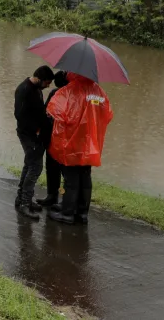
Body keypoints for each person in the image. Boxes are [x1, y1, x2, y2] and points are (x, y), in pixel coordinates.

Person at [46, 73, 114, 225]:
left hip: (71, 143)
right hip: (91, 145)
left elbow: (55, 112)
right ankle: (82, 213)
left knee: (71, 179)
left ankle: (67, 213)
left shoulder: (67, 91)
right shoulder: (99, 92)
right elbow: (108, 115)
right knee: (85, 178)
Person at [14, 65, 55, 219]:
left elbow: (38, 111)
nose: (48, 86)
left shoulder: (36, 89)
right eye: (47, 82)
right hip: (28, 135)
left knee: (29, 164)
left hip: (34, 134)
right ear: (39, 79)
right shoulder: (24, 90)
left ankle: (21, 199)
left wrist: (45, 118)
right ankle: (25, 203)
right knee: (36, 167)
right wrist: (38, 127)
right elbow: (19, 115)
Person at [37, 70, 69, 209]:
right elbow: (46, 113)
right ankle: (54, 196)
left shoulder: (73, 96)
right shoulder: (55, 94)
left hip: (64, 140)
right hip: (55, 139)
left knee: (63, 172)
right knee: (54, 169)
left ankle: (61, 198)